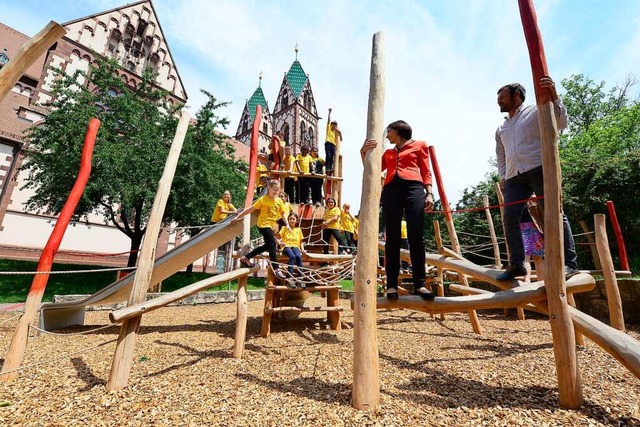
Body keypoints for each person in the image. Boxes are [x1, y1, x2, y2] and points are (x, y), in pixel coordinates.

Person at [495, 78, 578, 281]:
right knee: (509, 217)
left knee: (553, 212)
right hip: (514, 177)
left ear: (517, 96)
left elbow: (561, 123)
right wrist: (504, 177)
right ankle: (517, 265)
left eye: (502, 98)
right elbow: (501, 156)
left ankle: (569, 263)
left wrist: (554, 97)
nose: (499, 102)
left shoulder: (536, 111)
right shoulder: (501, 129)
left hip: (540, 168)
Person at [361, 120, 435, 300]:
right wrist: (363, 151)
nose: (387, 136)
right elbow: (371, 169)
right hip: (391, 191)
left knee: (416, 236)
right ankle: (391, 285)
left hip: (413, 189)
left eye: (389, 132)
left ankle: (420, 285)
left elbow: (426, 171)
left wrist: (430, 193)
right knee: (392, 238)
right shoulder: (388, 153)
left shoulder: (419, 145)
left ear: (398, 131)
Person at [235, 179, 290, 279]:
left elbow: (283, 214)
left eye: (277, 190)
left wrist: (288, 225)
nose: (276, 192)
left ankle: (246, 258)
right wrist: (238, 216)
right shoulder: (263, 199)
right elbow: (251, 209)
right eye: (274, 189)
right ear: (269, 188)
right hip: (262, 225)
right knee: (272, 243)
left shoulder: (279, 201)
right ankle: (276, 268)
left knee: (268, 245)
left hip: (270, 226)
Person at [277, 212, 306, 286]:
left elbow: (301, 241)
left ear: (296, 220)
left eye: (293, 219)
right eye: (290, 219)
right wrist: (279, 243)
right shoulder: (284, 228)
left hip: (295, 246)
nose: (292, 220)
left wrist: (302, 249)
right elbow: (279, 238)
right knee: (292, 256)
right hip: (286, 246)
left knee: (299, 257)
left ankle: (300, 279)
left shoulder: (298, 230)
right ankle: (290, 279)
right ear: (288, 220)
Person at [324, 108, 342, 175]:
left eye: (335, 125)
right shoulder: (328, 128)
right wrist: (329, 113)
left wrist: (340, 133)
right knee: (328, 155)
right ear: (331, 125)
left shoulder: (336, 132)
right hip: (328, 143)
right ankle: (327, 168)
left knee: (332, 156)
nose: (334, 126)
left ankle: (330, 168)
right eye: (333, 124)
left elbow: (341, 139)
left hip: (333, 144)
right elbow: (328, 120)